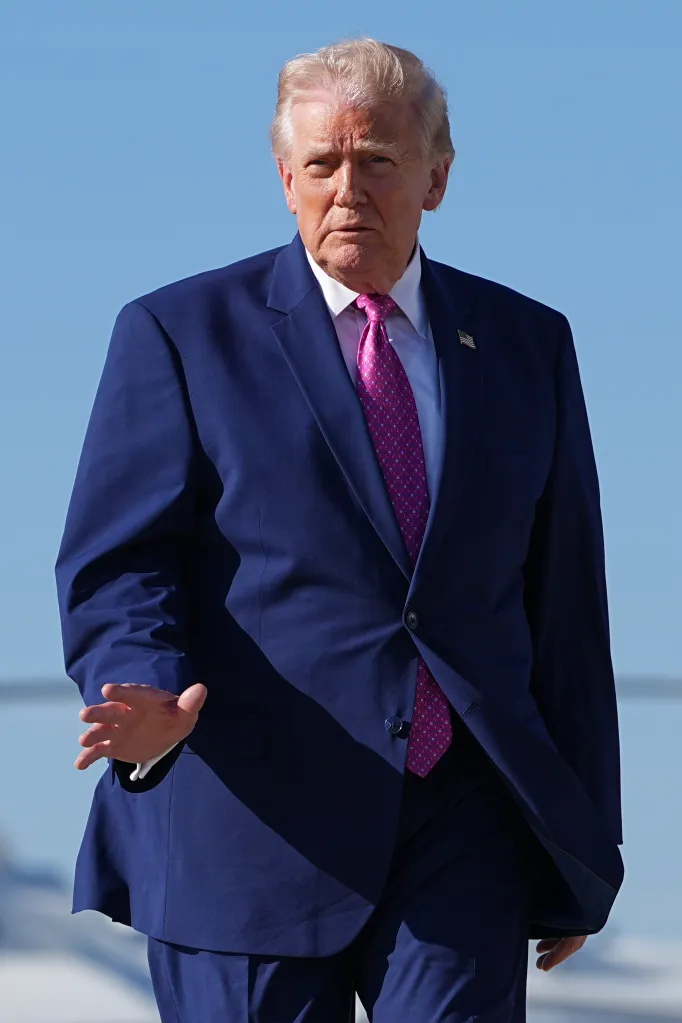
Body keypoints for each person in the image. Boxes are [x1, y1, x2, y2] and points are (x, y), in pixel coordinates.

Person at [56, 38, 623, 1023]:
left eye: (377, 161)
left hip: (463, 816)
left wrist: (583, 839)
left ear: (436, 177)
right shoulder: (178, 334)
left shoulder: (529, 344)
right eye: (320, 164)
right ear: (284, 179)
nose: (346, 188)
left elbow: (564, 606)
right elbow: (121, 561)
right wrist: (141, 690)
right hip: (249, 818)